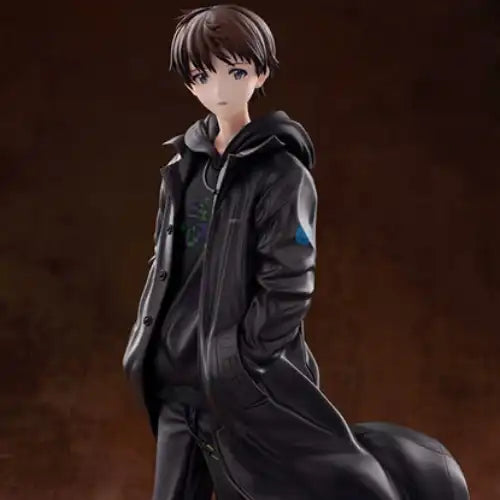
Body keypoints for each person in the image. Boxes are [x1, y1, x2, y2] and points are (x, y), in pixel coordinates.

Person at [123, 5, 470, 500]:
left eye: (235, 72)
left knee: (304, 482)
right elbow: (164, 263)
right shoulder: (182, 170)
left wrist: (243, 357)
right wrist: (151, 341)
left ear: (260, 73)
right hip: (176, 381)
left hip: (243, 384)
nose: (219, 89)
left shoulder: (281, 173)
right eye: (203, 76)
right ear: (189, 83)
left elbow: (289, 281)